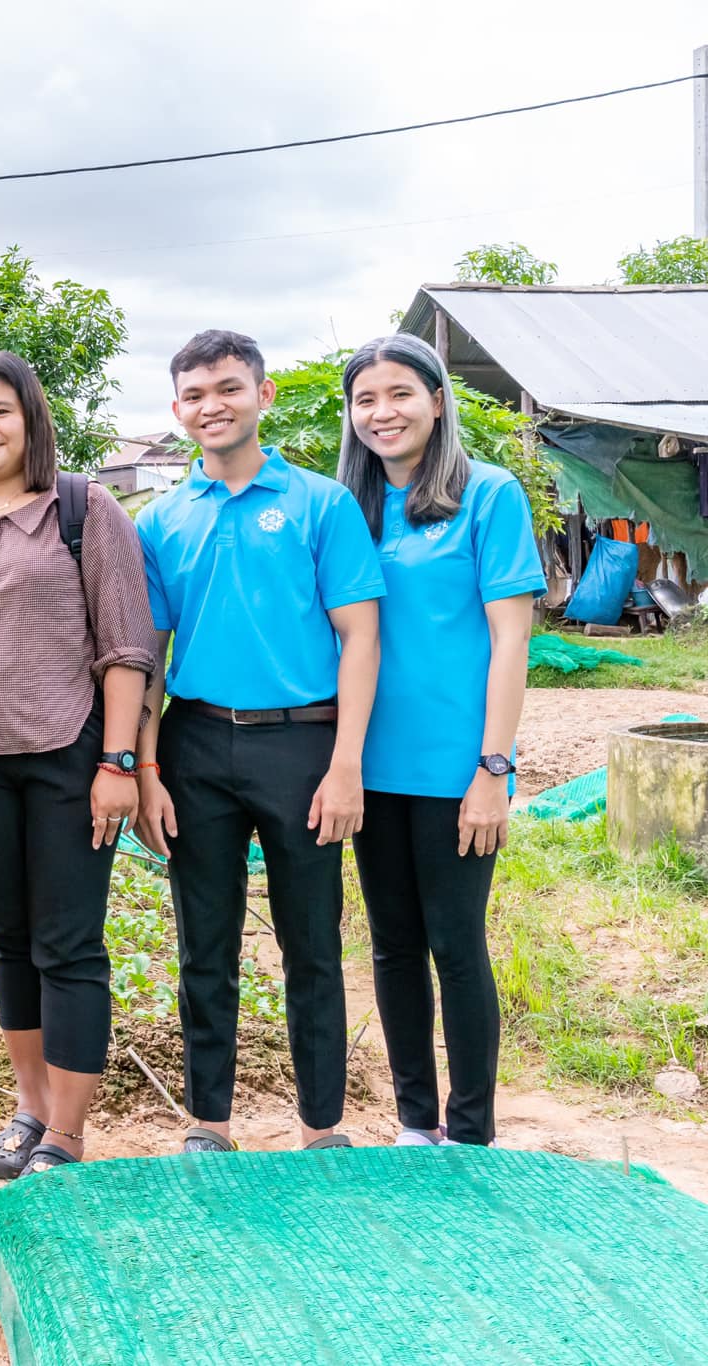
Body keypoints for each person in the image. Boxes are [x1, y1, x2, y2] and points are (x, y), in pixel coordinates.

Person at [0, 353, 156, 1177]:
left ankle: (69, 1137)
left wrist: (118, 760)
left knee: (68, 942)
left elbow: (126, 645)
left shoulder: (84, 509)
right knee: (8, 940)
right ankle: (30, 1111)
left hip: (69, 759)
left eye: (1, 410)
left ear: (30, 419)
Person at [133, 330, 384, 1154]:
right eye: (196, 395)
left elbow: (360, 638)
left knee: (311, 942)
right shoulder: (161, 521)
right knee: (204, 945)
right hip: (195, 745)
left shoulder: (321, 504)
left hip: (302, 748)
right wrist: (146, 770)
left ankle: (322, 1127)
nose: (214, 405)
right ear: (178, 411)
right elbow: (147, 655)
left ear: (263, 395)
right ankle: (210, 1121)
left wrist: (346, 765)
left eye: (229, 388)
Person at [337, 335, 544, 1148]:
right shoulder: (346, 508)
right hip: (366, 766)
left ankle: (470, 1131)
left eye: (399, 394)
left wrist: (493, 768)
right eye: (365, 400)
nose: (382, 413)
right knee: (391, 948)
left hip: (458, 768)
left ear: (436, 400)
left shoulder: (488, 497)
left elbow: (510, 643)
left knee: (456, 943)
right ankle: (414, 1124)